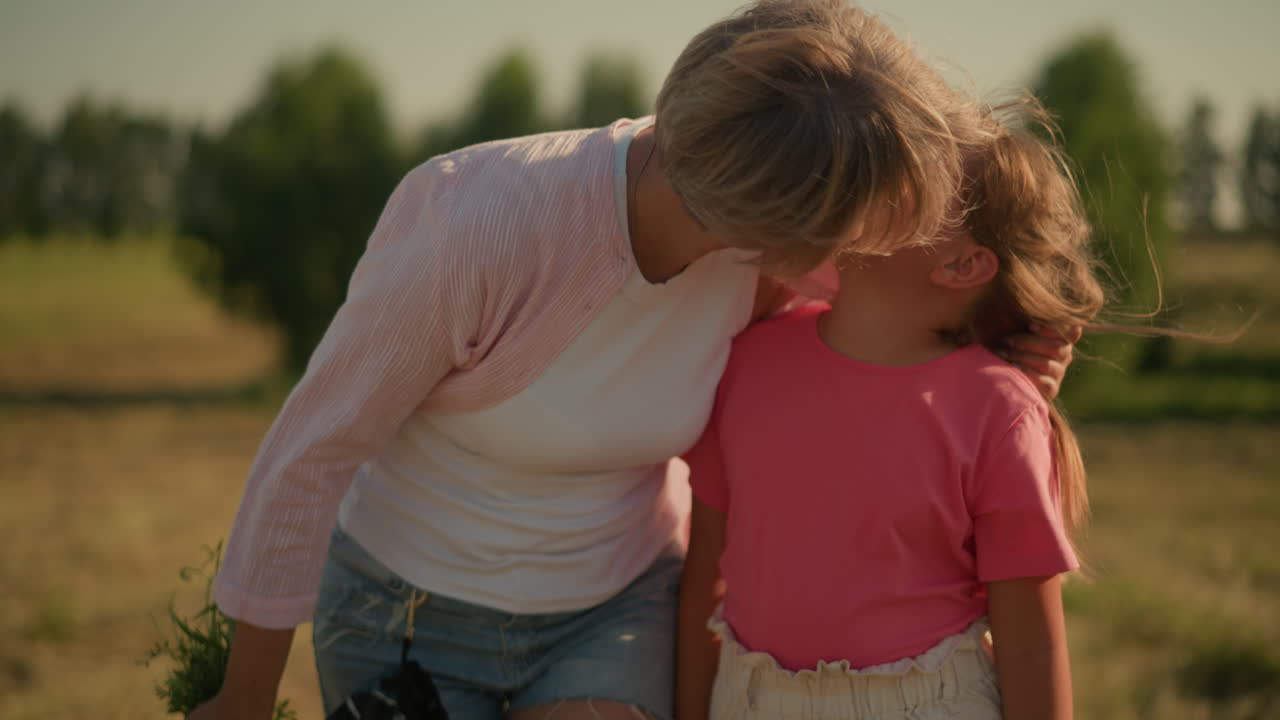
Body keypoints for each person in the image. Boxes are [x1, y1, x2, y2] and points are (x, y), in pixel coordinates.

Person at [188, 3, 1078, 720]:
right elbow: (313, 452)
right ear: (788, 233)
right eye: (863, 227)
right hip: (406, 611)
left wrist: (1016, 360)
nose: (870, 245)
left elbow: (914, 339)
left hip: (614, 613)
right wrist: (244, 698)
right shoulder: (474, 223)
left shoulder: (776, 239)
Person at [674, 100, 1147, 720]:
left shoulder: (998, 409)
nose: (884, 168)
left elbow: (1032, 647)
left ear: (962, 264)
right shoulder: (749, 360)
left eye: (922, 171)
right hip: (749, 699)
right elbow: (705, 576)